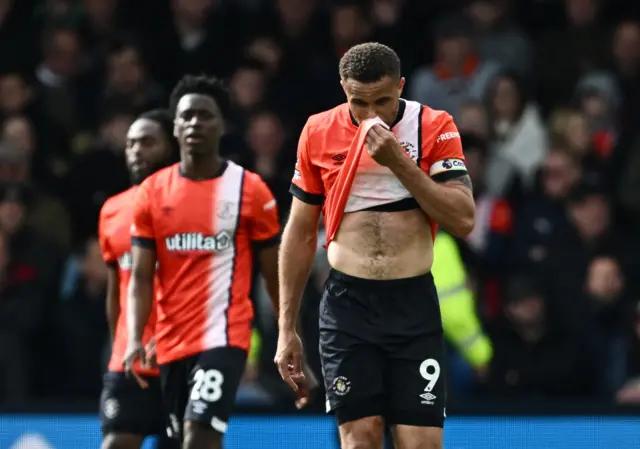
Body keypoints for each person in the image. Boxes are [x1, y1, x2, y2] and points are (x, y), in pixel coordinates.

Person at [275, 43, 476, 449]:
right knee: (361, 439)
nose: (370, 115)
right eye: (358, 102)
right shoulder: (318, 131)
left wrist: (398, 161)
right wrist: (286, 328)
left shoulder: (434, 125)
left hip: (412, 303)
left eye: (382, 101)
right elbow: (298, 234)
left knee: (421, 444)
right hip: (350, 305)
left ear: (401, 87)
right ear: (343, 90)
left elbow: (463, 218)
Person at [124, 75, 295, 449]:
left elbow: (272, 272)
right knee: (176, 442)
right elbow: (140, 276)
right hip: (169, 341)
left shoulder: (249, 190)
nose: (195, 123)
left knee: (199, 435)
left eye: (205, 115)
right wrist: (136, 335)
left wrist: (287, 332)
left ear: (222, 125)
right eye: (187, 116)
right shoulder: (152, 193)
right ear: (174, 127)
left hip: (225, 335)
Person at [97, 109, 178, 449]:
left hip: (181, 360)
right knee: (116, 442)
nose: (136, 150)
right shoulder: (112, 210)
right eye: (130, 143)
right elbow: (116, 287)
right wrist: (121, 344)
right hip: (129, 361)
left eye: (147, 141)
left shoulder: (191, 207)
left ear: (171, 147)